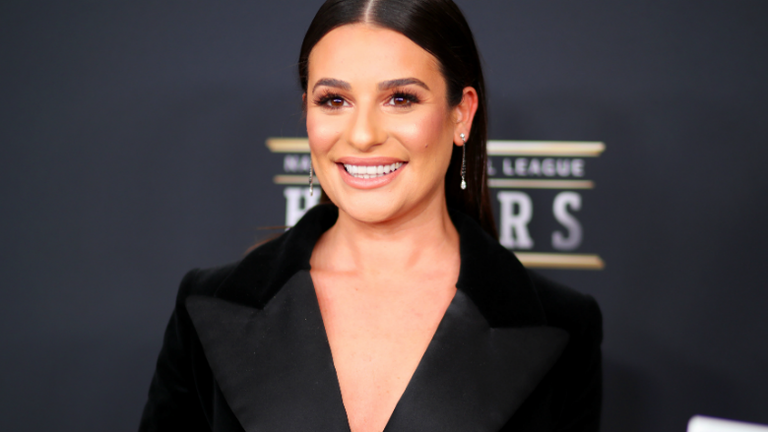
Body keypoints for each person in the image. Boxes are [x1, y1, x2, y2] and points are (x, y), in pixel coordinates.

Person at [139, 0, 602, 431]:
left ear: (461, 114)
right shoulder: (209, 303)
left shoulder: (560, 325)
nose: (362, 135)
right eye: (334, 100)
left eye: (400, 98)